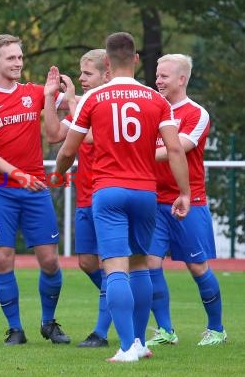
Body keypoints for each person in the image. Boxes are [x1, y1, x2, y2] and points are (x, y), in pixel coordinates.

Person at [55, 32, 191, 362]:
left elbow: (68, 149)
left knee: (114, 266)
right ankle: (141, 343)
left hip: (108, 191)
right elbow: (174, 148)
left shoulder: (93, 99)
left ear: (107, 63)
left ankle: (128, 345)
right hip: (145, 191)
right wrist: (184, 192)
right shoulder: (156, 100)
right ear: (135, 59)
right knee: (141, 265)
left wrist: (58, 175)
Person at [0, 34, 70, 346]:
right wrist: (17, 175)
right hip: (0, 190)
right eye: (11, 58)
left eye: (20, 58)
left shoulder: (35, 93)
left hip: (35, 187)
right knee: (2, 259)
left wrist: (53, 96)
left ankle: (49, 323)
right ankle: (15, 328)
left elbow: (55, 134)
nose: (18, 63)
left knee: (50, 260)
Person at [146, 54, 227, 346]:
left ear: (181, 79)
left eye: (164, 76)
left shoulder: (196, 113)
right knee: (150, 263)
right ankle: (166, 331)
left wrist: (135, 153)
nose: (158, 81)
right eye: (157, 75)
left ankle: (217, 328)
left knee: (197, 267)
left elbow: (178, 147)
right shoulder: (152, 109)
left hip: (188, 201)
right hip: (154, 202)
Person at [49, 49, 113, 348]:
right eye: (80, 73)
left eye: (87, 73)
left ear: (107, 74)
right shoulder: (83, 104)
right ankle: (120, 295)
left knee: (114, 263)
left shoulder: (111, 102)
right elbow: (53, 134)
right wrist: (52, 99)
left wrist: (73, 102)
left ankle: (101, 332)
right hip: (86, 197)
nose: (81, 79)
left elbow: (88, 136)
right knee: (87, 263)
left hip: (109, 194)